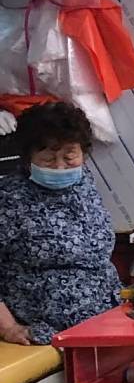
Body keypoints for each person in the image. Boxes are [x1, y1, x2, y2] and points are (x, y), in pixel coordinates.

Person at [0, 99, 122, 345]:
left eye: (69, 156)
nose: (59, 167)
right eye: (48, 158)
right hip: (50, 330)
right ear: (27, 157)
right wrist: (8, 328)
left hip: (106, 316)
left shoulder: (82, 183)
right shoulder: (8, 198)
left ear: (84, 153)